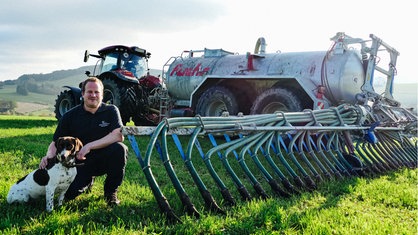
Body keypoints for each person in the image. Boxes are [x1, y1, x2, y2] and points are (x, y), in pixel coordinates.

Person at [39, 77, 128, 206]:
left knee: (120, 149)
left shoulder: (111, 111)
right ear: (83, 94)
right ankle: (87, 182)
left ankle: (110, 193)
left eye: (97, 92)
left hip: (104, 158)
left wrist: (89, 146)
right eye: (89, 92)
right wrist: (48, 157)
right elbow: (55, 142)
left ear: (102, 95)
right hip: (78, 163)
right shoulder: (70, 116)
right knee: (69, 195)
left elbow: (118, 136)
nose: (93, 95)